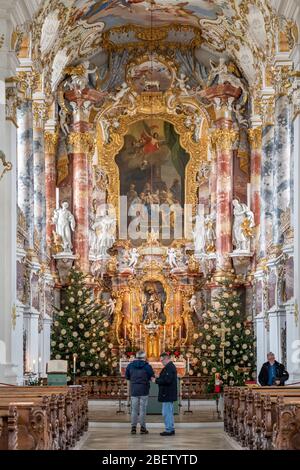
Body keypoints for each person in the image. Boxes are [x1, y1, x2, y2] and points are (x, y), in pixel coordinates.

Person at [125, 351, 154, 435]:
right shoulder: (147, 366)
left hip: (134, 389)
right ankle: (143, 428)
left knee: (134, 410)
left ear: (136, 357)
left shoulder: (130, 365)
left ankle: (133, 428)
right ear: (144, 358)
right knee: (142, 410)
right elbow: (151, 376)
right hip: (144, 389)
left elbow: (127, 376)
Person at [152, 352, 177, 436]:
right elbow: (165, 377)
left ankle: (169, 430)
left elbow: (167, 380)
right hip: (167, 393)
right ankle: (171, 428)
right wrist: (158, 376)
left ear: (166, 358)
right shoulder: (168, 367)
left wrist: (156, 381)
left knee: (167, 412)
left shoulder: (170, 367)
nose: (161, 362)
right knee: (168, 411)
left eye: (162, 360)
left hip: (168, 393)